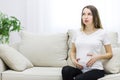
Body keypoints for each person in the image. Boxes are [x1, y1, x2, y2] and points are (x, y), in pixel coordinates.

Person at [62, 5, 113, 80]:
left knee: (79, 79)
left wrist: (97, 57)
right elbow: (72, 51)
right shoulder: (77, 33)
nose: (85, 17)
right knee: (66, 70)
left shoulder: (102, 33)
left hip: (96, 70)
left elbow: (110, 53)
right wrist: (74, 61)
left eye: (89, 14)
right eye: (83, 14)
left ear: (95, 17)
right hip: (80, 69)